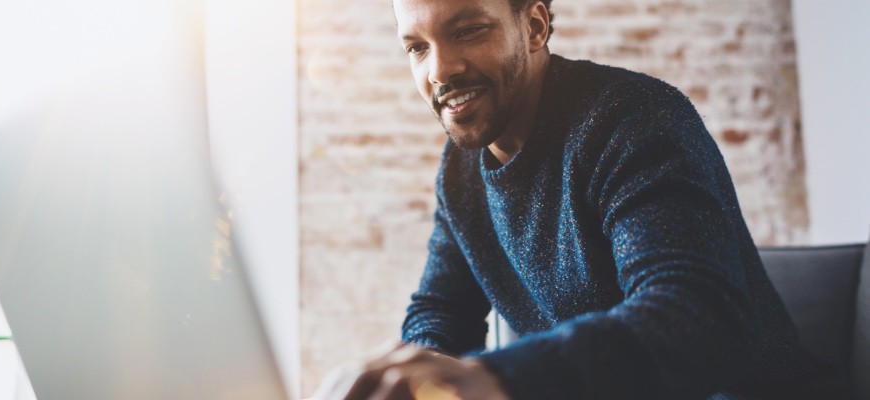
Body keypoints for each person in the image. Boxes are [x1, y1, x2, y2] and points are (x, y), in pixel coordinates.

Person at [313, 0, 825, 399]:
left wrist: (498, 381)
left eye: (468, 30)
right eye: (417, 48)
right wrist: (415, 379)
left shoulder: (633, 120)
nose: (440, 70)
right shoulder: (461, 169)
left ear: (534, 27)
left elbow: (696, 319)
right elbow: (441, 310)